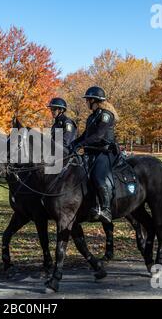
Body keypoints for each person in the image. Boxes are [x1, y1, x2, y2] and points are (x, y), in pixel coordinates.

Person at [71, 86, 119, 224]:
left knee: (98, 177)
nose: (86, 102)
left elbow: (99, 136)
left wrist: (82, 144)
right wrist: (72, 144)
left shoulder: (106, 115)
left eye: (87, 100)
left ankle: (106, 209)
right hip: (91, 151)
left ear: (94, 100)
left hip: (105, 152)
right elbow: (85, 135)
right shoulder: (92, 116)